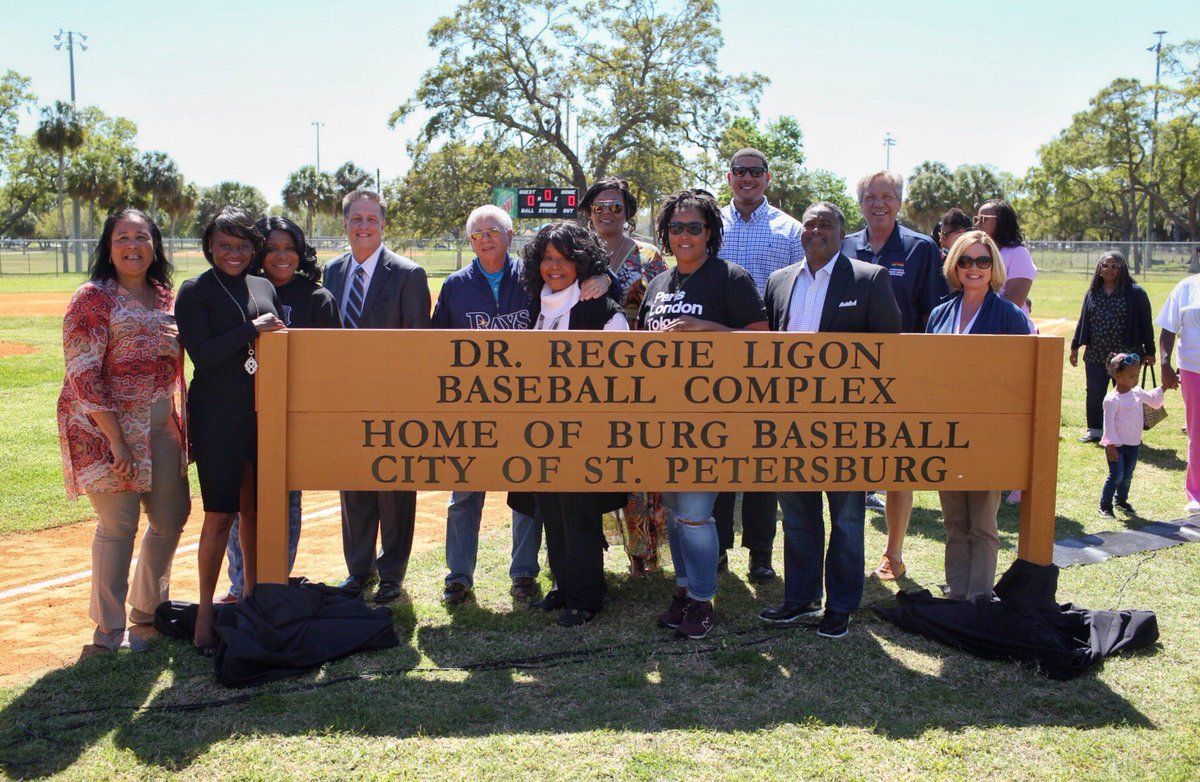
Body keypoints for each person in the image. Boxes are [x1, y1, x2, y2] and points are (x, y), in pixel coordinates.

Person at [432, 204, 609, 605]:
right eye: (476, 234)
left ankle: (524, 573)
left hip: (527, 406)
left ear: (510, 236)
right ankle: (459, 575)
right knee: (464, 492)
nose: (485, 239)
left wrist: (604, 276)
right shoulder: (455, 285)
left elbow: (576, 281)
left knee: (526, 489)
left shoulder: (531, 279)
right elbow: (437, 346)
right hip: (472, 405)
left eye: (493, 231)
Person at [759, 201, 901, 638]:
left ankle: (841, 605)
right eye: (810, 224)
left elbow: (890, 352)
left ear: (843, 233)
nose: (816, 230)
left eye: (826, 224)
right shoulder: (780, 281)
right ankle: (800, 599)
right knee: (798, 515)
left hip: (847, 427)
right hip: (788, 423)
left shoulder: (868, 278)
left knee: (846, 518)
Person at [638, 188, 769, 639]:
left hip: (710, 419)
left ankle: (703, 600)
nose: (685, 235)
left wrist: (704, 329)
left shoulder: (730, 277)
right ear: (666, 234)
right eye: (676, 227)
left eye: (695, 227)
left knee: (695, 513)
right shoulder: (658, 284)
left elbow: (761, 342)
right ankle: (683, 590)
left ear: (710, 232)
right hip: (662, 418)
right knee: (676, 512)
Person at [58, 208, 190, 653]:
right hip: (104, 428)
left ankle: (148, 612)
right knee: (119, 524)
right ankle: (108, 629)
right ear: (108, 247)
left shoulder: (166, 296)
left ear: (155, 245)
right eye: (122, 238)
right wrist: (116, 439)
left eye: (141, 237)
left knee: (171, 518)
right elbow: (83, 375)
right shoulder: (92, 299)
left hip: (160, 424)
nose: (132, 246)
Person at [175, 207, 286, 653]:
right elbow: (201, 354)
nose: (234, 253)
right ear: (209, 248)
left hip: (261, 413)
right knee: (220, 514)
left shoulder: (262, 286)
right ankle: (205, 609)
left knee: (255, 512)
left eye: (242, 245)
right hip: (217, 416)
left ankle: (252, 598)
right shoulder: (194, 291)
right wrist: (250, 330)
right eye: (224, 245)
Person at [221, 216, 340, 602]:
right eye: (272, 248)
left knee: (287, 501)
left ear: (300, 252)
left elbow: (331, 369)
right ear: (259, 252)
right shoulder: (239, 291)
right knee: (242, 503)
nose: (281, 256)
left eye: (289, 248)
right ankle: (241, 587)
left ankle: (273, 584)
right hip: (242, 413)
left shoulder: (317, 298)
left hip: (293, 419)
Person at [516, 221, 628, 626]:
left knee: (579, 515)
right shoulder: (536, 306)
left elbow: (622, 380)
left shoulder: (601, 310)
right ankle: (563, 588)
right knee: (552, 512)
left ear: (582, 262)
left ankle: (586, 598)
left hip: (588, 435)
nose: (555, 267)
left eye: (565, 258)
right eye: (547, 258)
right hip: (544, 432)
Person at [323, 190, 431, 604]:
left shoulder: (408, 274)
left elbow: (419, 347)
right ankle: (358, 570)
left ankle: (391, 574)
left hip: (393, 400)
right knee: (352, 484)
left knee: (394, 487)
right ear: (346, 224)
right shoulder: (332, 273)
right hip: (345, 400)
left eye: (372, 218)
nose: (363, 225)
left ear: (383, 225)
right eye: (356, 218)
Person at [842, 170, 948, 581]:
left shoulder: (921, 249)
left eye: (887, 196)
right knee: (851, 464)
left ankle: (894, 552)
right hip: (849, 374)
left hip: (902, 373)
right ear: (861, 202)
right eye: (871, 196)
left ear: (899, 202)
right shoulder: (846, 244)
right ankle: (848, 553)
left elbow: (934, 316)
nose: (879, 204)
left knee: (897, 466)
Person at [716, 148, 806, 584]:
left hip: (767, 359)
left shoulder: (789, 230)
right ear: (729, 177)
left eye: (755, 172)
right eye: (740, 172)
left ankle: (760, 552)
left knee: (760, 462)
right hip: (712, 357)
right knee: (714, 455)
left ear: (767, 178)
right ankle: (715, 549)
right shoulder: (710, 224)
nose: (747, 179)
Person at [925, 231, 1031, 600]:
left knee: (983, 522)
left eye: (982, 261)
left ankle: (979, 597)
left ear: (993, 267)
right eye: (966, 260)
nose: (974, 268)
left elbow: (1021, 378)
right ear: (954, 265)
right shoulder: (940, 313)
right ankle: (957, 592)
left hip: (988, 433)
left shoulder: (1008, 315)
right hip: (946, 431)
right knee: (953, 519)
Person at [577, 177, 669, 575]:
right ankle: (587, 553)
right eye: (599, 208)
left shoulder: (648, 256)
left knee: (636, 466)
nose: (607, 214)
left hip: (639, 376)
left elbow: (664, 300)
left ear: (628, 212)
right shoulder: (577, 253)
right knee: (591, 460)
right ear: (588, 213)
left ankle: (642, 554)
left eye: (615, 207)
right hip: (584, 375)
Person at [1070, 251, 1155, 443]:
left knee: (1126, 395)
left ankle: (1127, 433)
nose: (1109, 269)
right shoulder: (1092, 292)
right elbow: (1084, 320)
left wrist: (1150, 351)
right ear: (1099, 270)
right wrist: (1075, 345)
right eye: (1105, 266)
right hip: (1096, 353)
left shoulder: (1135, 293)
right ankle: (1095, 430)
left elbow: (1145, 323)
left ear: (1122, 269)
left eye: (1115, 266)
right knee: (1094, 392)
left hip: (1127, 356)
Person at [1099, 352, 1166, 518]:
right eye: (1131, 376)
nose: (1135, 379)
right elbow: (1108, 426)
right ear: (1118, 376)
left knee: (1127, 476)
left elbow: (1153, 400)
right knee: (1116, 476)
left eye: (1137, 375)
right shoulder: (1111, 400)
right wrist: (1111, 446)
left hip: (1134, 445)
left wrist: (1164, 387)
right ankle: (1105, 506)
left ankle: (1121, 501)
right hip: (1117, 447)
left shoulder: (1136, 392)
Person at [1156, 273, 1200, 514]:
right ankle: (1196, 493)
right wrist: (1165, 364)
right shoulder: (1186, 287)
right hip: (1194, 369)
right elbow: (1168, 328)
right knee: (1197, 432)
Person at [975, 198, 1036, 314]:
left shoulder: (1018, 253)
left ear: (1002, 222)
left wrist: (975, 303)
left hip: (1009, 327)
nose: (978, 224)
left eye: (983, 219)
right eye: (977, 219)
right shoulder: (977, 251)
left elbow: (1014, 301)